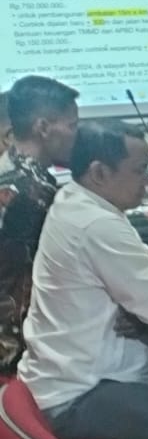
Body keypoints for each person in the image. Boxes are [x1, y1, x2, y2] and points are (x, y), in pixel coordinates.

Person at [18, 120, 148, 439]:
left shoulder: (74, 200)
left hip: (72, 376)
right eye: (140, 170)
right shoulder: (96, 223)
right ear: (99, 173)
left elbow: (142, 289)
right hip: (81, 395)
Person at [1, 75, 78, 373]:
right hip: (18, 345)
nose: (76, 135)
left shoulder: (11, 168)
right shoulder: (33, 191)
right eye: (72, 125)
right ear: (43, 128)